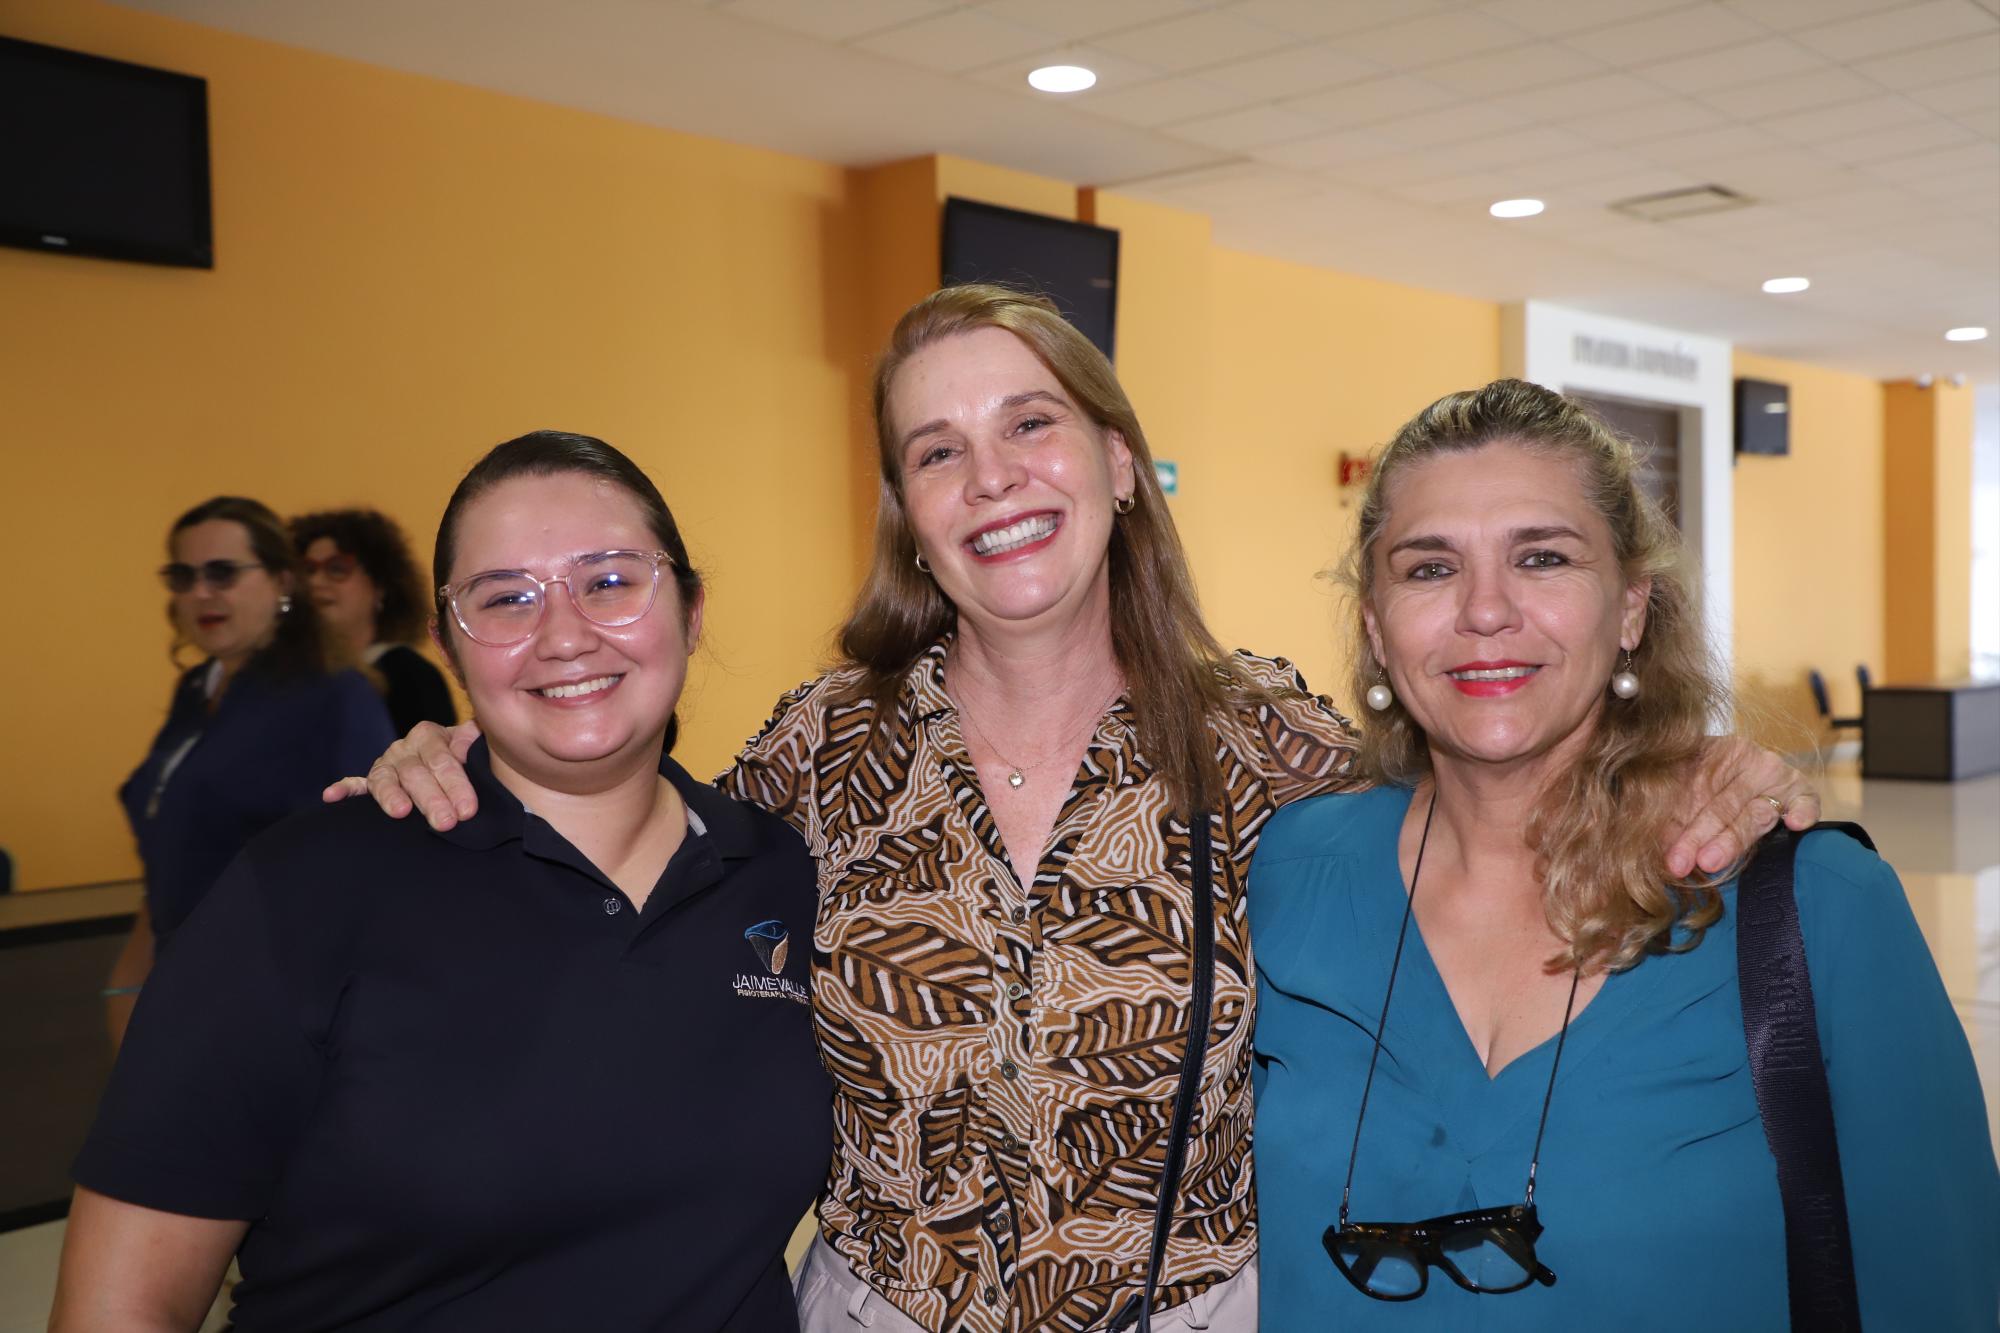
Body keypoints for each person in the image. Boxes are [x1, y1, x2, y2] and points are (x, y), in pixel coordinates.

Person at [340, 288, 1821, 1333]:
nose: (992, 478)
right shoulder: (822, 748)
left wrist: (1698, 764)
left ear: (1119, 462)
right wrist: (459, 764)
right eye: (937, 450)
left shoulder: (1270, 747)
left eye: (1031, 423)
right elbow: (627, 873)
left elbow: (1503, 785)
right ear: (908, 515)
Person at [1250, 379, 2000, 1328]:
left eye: (1543, 557)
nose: (1486, 610)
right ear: (1374, 627)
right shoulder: (1285, 876)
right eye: (1430, 568)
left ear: (1633, 608)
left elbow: (1944, 1291)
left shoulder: (1816, 906)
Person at [53, 434, 830, 1331]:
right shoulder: (307, 888)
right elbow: (118, 1309)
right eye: (505, 599)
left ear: (691, 610)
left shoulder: (786, 872)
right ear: (448, 650)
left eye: (611, 580)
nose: (566, 634)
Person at [102, 497, 395, 1046]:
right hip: (182, 990)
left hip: (282, 1010)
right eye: (183, 577)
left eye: (223, 573)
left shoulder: (333, 697)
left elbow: (373, 873)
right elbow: (175, 848)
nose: (201, 593)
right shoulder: (197, 691)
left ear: (283, 581)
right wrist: (129, 981)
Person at [293, 507, 458, 734]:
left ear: (380, 586)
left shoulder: (410, 676)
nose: (316, 582)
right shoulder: (288, 678)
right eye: (308, 570)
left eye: (337, 568)